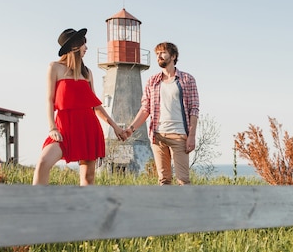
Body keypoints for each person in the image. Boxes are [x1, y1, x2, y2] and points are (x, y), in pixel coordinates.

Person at [33, 28, 127, 186]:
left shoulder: (87, 73)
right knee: (43, 162)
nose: (87, 48)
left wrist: (115, 126)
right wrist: (52, 128)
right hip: (64, 128)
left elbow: (95, 105)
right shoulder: (55, 67)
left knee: (88, 178)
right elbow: (49, 100)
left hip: (87, 127)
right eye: (84, 44)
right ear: (75, 46)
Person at [125, 42, 199, 185]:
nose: (159, 56)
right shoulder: (152, 81)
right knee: (164, 180)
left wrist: (192, 136)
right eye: (157, 54)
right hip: (158, 136)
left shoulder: (187, 80)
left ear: (173, 56)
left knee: (183, 180)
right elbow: (145, 108)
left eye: (163, 53)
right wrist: (131, 129)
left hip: (179, 136)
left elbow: (194, 109)